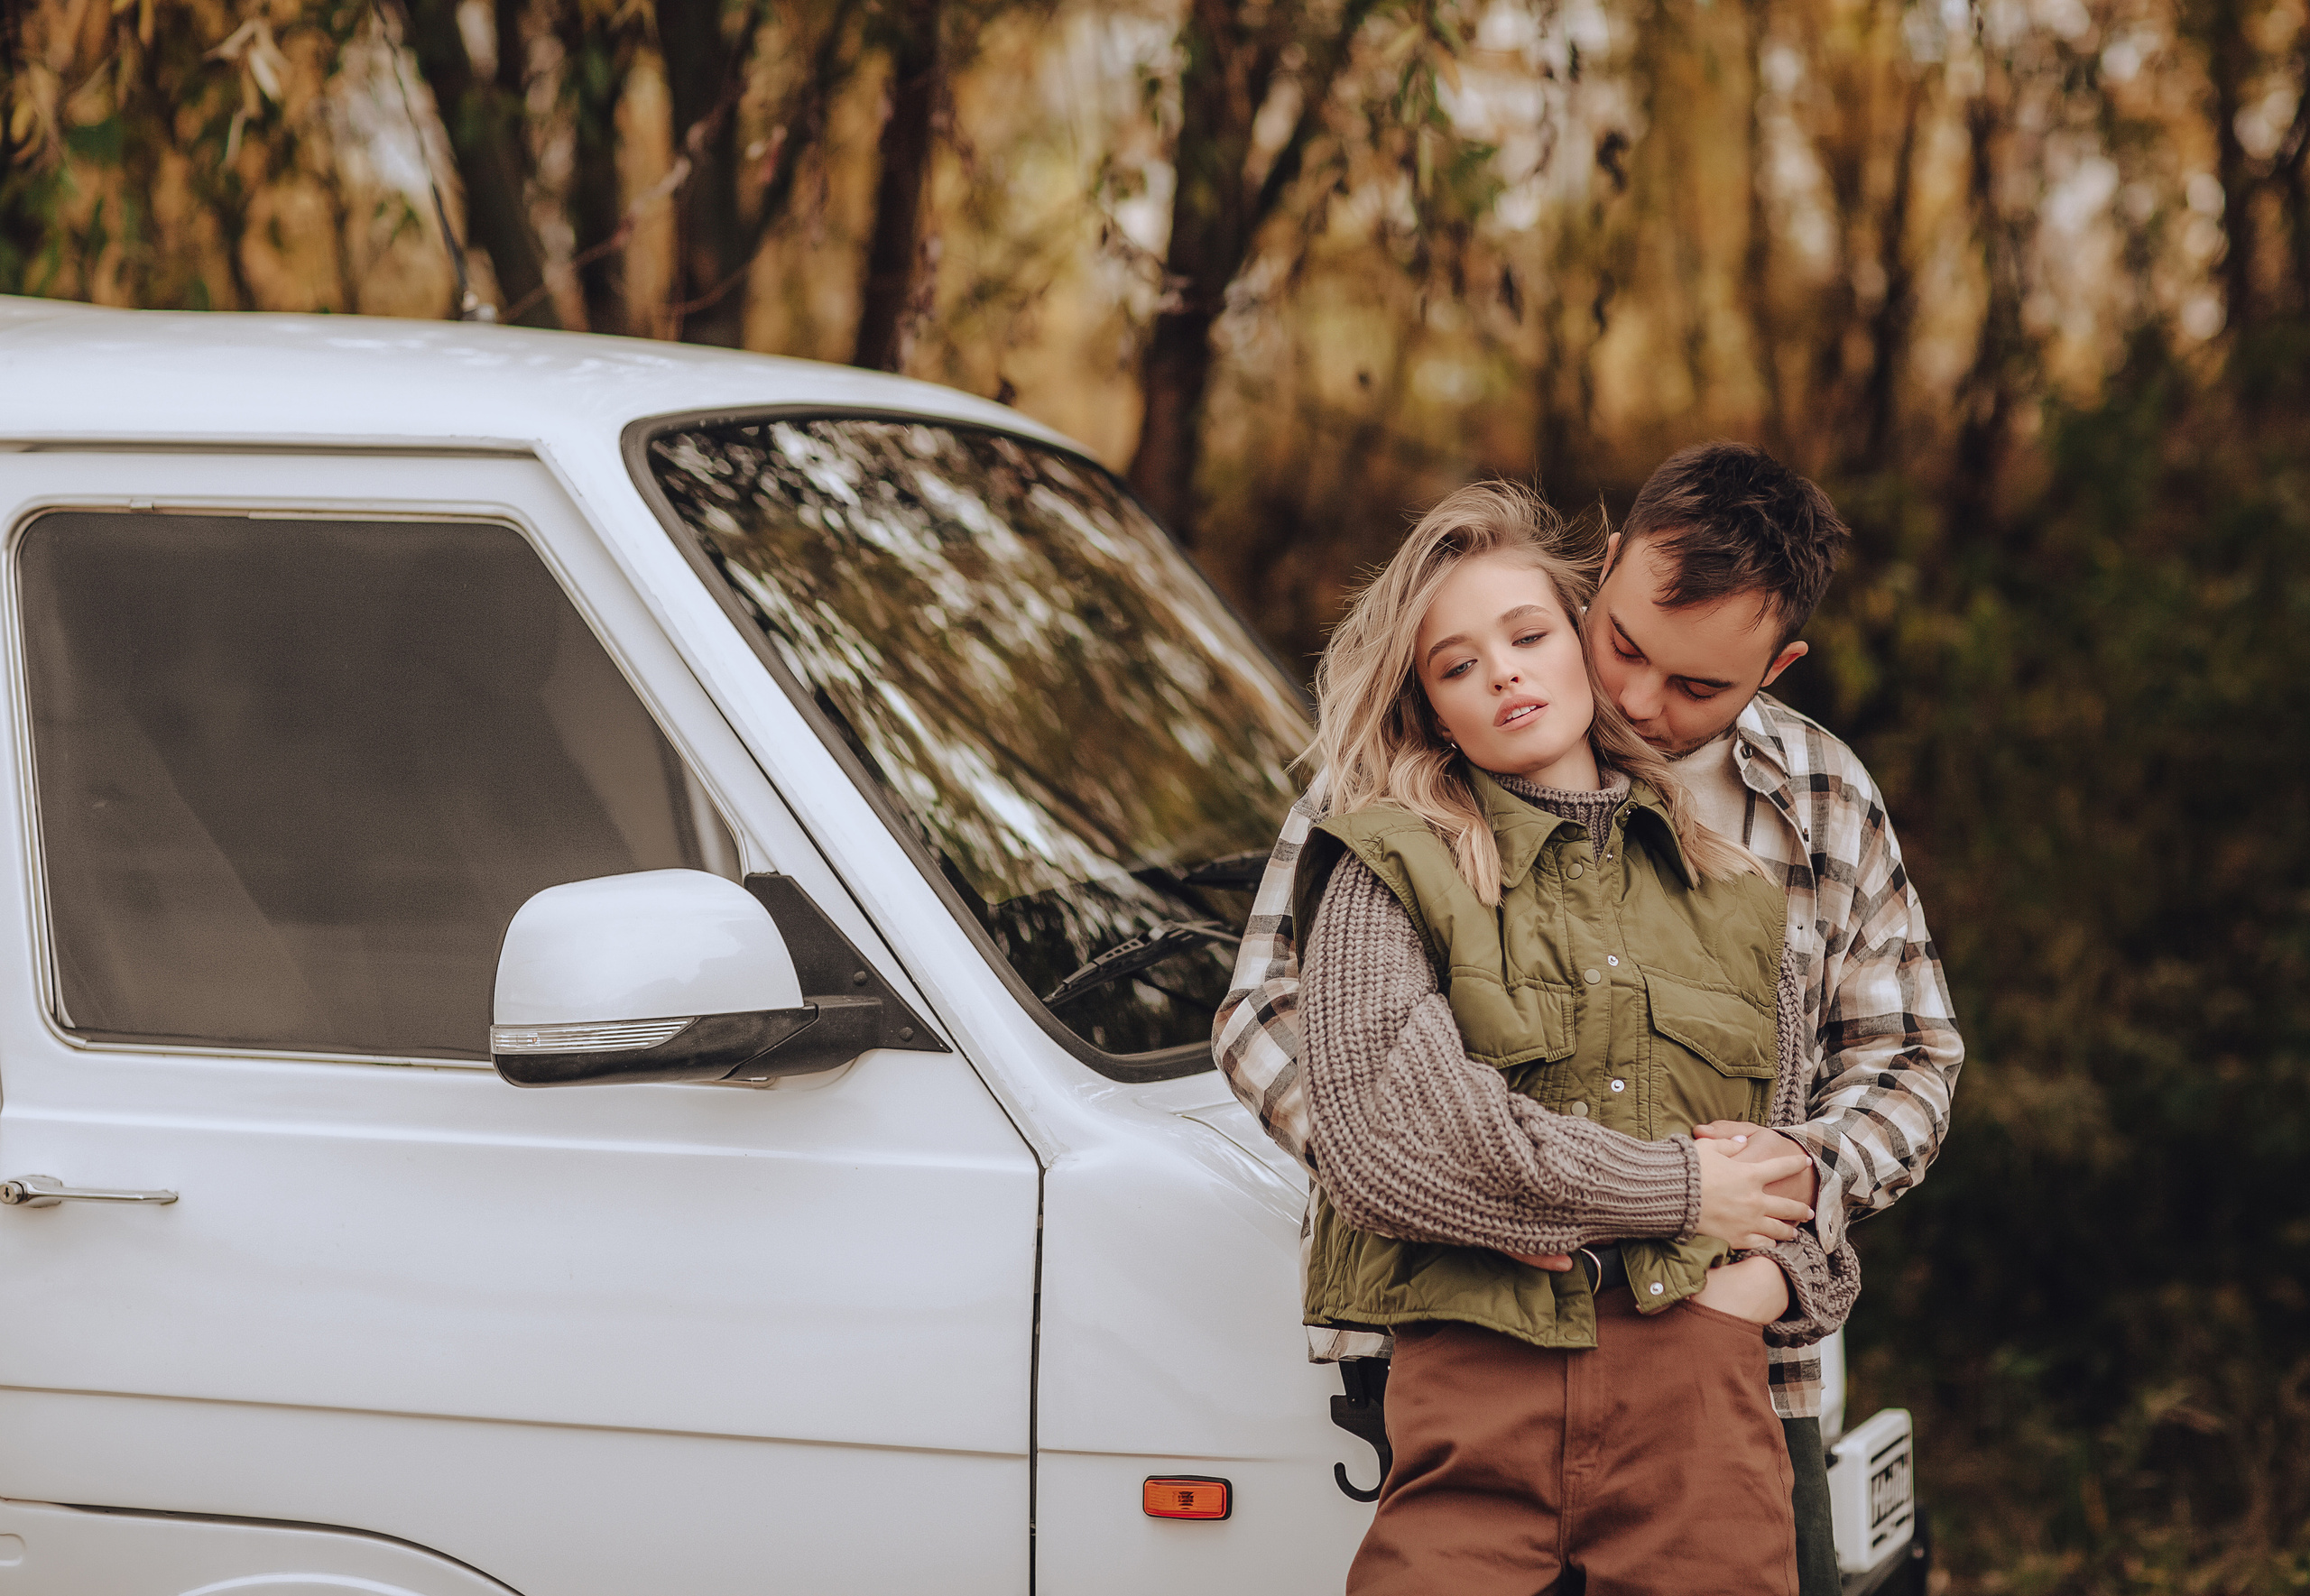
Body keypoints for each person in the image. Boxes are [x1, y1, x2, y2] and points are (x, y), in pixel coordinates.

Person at [1214, 445, 1964, 1595]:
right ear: (1598, 573)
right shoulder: (1410, 777)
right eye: (1621, 644)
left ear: (1780, 663)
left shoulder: (1817, 797)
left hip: (1730, 1367)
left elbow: (1906, 1056)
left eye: (1701, 686)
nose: (1638, 700)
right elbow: (1265, 1013)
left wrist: (1791, 1199)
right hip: (1468, 1347)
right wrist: (1466, 1189)